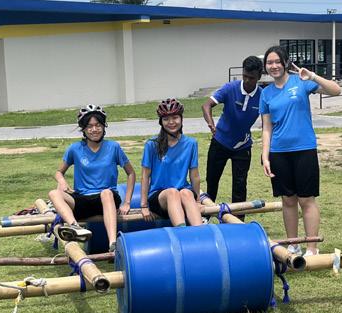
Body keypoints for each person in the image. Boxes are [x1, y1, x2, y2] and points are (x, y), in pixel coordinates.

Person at [259, 45, 341, 256]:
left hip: (304, 149)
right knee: (288, 200)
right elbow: (267, 127)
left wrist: (312, 75)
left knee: (306, 199)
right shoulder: (266, 93)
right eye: (269, 63)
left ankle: (312, 247)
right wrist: (265, 156)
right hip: (279, 152)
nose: (274, 66)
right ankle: (293, 244)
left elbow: (336, 90)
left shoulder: (301, 82)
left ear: (285, 62)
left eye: (277, 61)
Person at [47, 104, 136, 251]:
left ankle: (113, 243)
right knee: (53, 193)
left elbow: (131, 173)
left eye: (98, 125)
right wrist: (62, 181)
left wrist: (126, 202)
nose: (94, 129)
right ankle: (75, 228)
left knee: (106, 193)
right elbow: (58, 172)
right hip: (82, 199)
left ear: (104, 126)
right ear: (83, 129)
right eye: (89, 126)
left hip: (106, 200)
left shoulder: (113, 147)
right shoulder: (74, 149)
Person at [202, 55, 263, 207]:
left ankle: (238, 218)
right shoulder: (230, 88)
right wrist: (211, 124)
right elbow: (206, 105)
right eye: (244, 76)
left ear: (259, 77)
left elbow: (269, 122)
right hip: (220, 142)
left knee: (240, 185)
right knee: (212, 181)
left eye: (251, 78)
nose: (247, 80)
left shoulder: (263, 96)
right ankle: (206, 215)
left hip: (243, 146)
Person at [140, 98, 203, 226]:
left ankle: (200, 231)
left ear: (181, 119)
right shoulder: (151, 144)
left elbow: (194, 176)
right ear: (161, 122)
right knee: (172, 192)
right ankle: (182, 231)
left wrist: (197, 201)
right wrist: (144, 205)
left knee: (186, 192)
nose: (171, 122)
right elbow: (145, 176)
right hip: (159, 196)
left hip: (183, 192)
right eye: (166, 119)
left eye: (175, 117)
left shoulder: (191, 144)